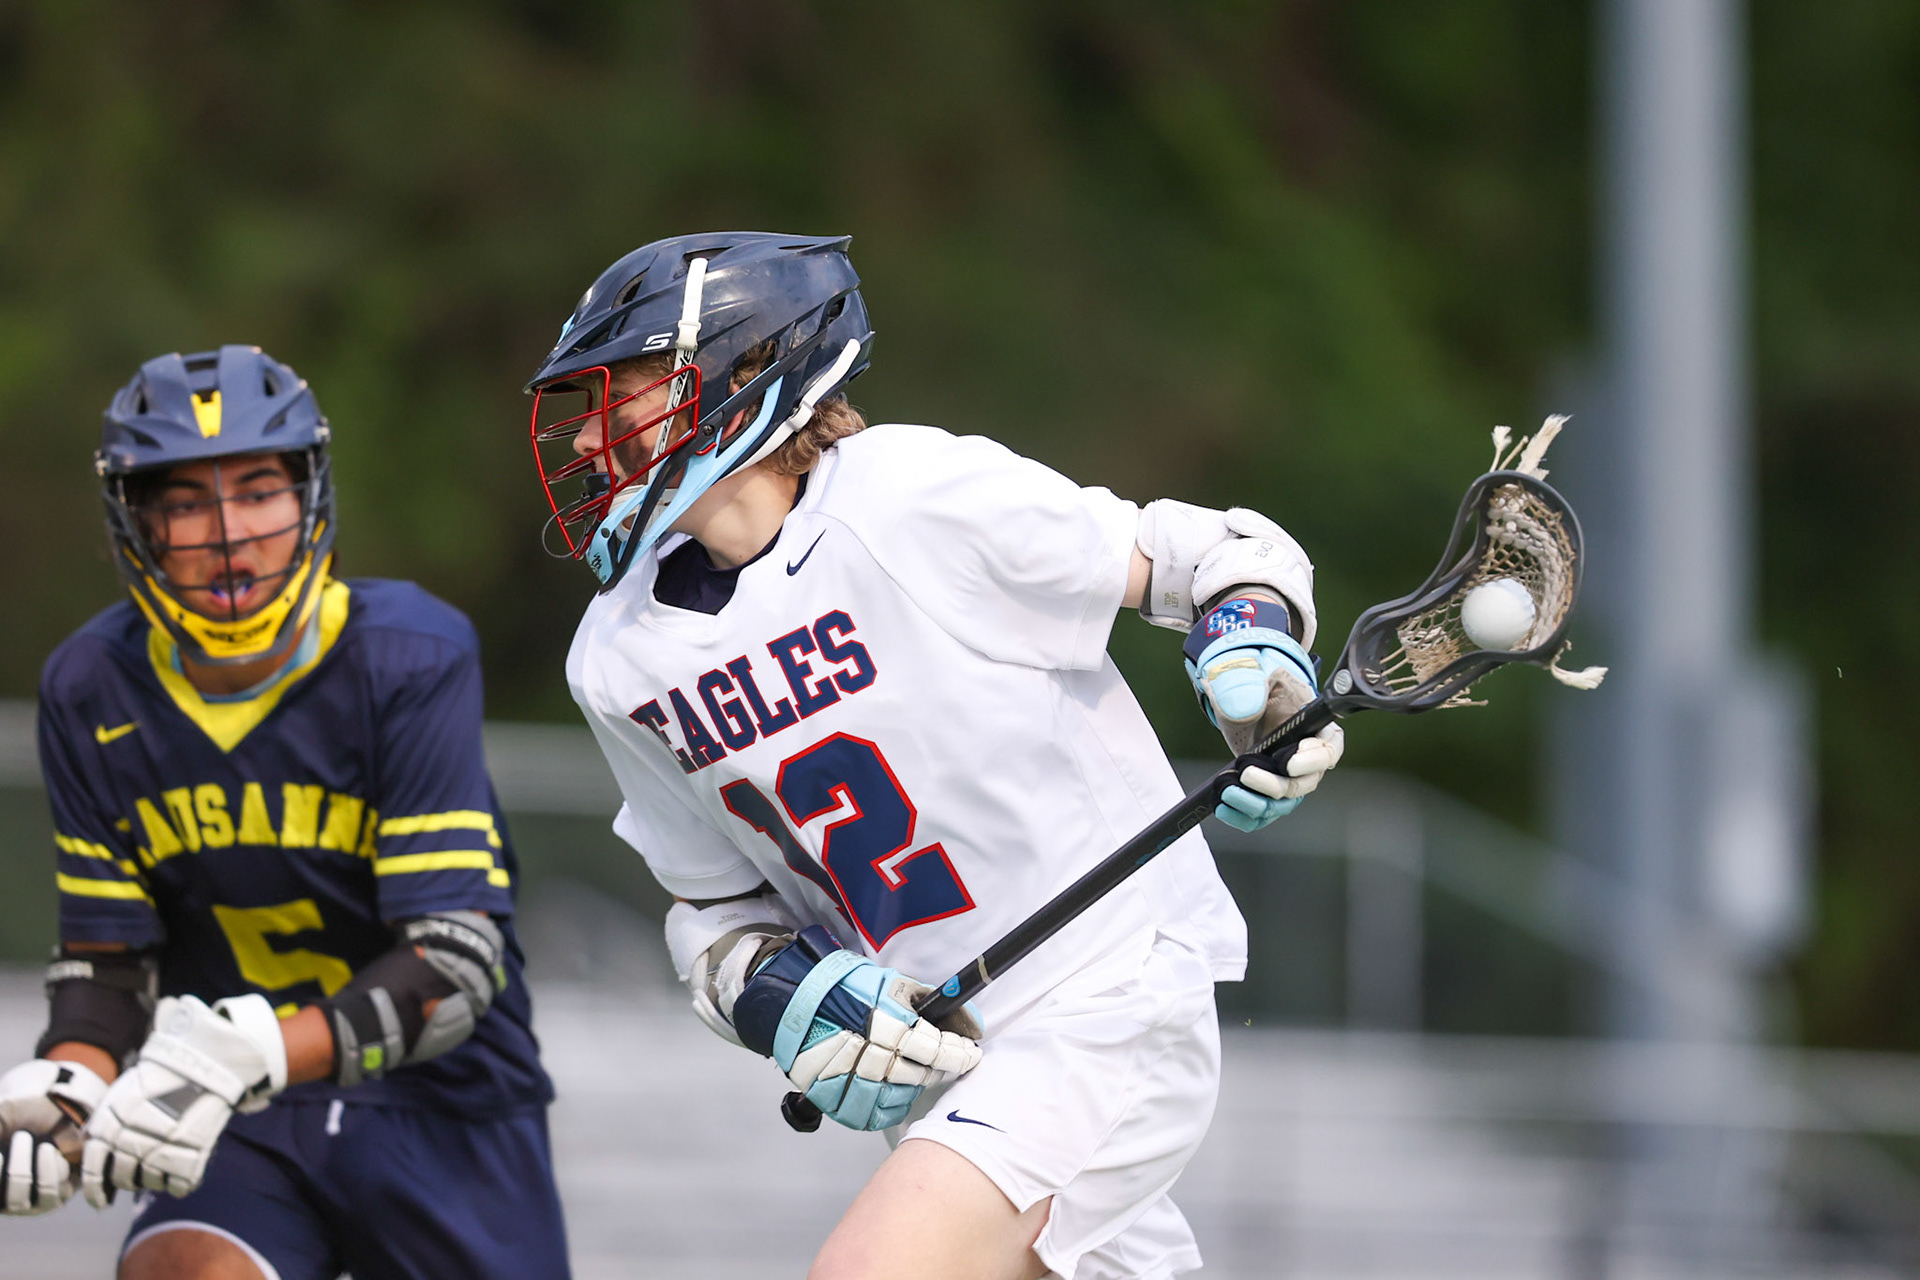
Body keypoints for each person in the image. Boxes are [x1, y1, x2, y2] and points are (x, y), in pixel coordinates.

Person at [526, 233, 1344, 1280]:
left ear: (740, 376)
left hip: (1105, 991)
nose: (592, 443)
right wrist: (781, 997)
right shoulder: (619, 656)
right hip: (944, 1060)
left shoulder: (906, 496)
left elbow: (1204, 556)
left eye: (623, 397)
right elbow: (717, 913)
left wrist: (1255, 645)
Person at [0, 346, 569, 1280]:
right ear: (132, 521)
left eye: (259, 488)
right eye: (184, 502)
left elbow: (455, 966)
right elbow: (109, 965)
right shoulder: (91, 686)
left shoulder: (407, 655)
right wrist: (67, 1086)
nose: (228, 533)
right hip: (231, 1113)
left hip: (441, 1101)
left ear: (309, 494)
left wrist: (249, 1052)